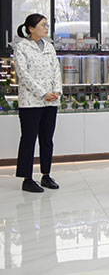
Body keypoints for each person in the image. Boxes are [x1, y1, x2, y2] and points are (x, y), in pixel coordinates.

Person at [13, 14, 62, 193]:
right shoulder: (21, 47)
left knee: (47, 140)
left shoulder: (49, 47)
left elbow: (56, 70)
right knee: (29, 139)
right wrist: (43, 93)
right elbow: (23, 74)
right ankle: (27, 178)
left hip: (51, 102)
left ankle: (46, 175)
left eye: (47, 25)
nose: (46, 28)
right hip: (31, 102)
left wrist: (56, 91)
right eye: (43, 25)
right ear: (31, 29)